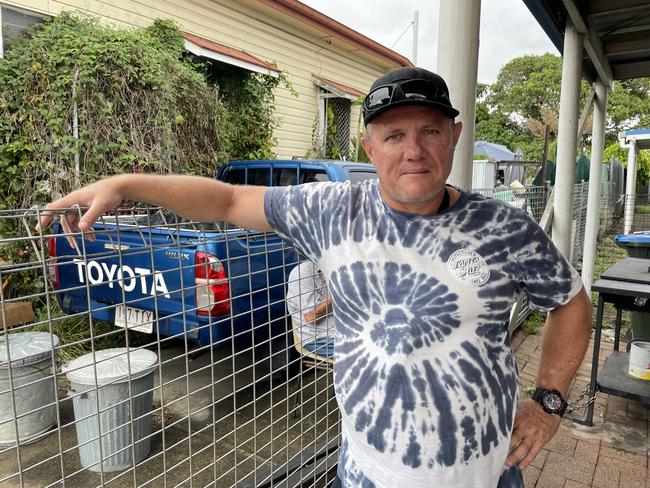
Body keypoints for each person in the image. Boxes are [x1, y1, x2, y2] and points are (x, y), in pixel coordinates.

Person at [40, 66, 592, 488]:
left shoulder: (504, 227)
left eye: (429, 130)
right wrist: (124, 183)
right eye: (394, 135)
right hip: (367, 473)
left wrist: (548, 403)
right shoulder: (329, 210)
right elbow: (227, 198)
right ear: (368, 146)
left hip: (486, 473)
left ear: (454, 135)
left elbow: (570, 301)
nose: (414, 150)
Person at [286, 260, 335, 358]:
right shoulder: (302, 272)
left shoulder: (337, 269)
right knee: (369, 351)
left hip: (342, 329)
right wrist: (339, 293)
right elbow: (311, 318)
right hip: (319, 337)